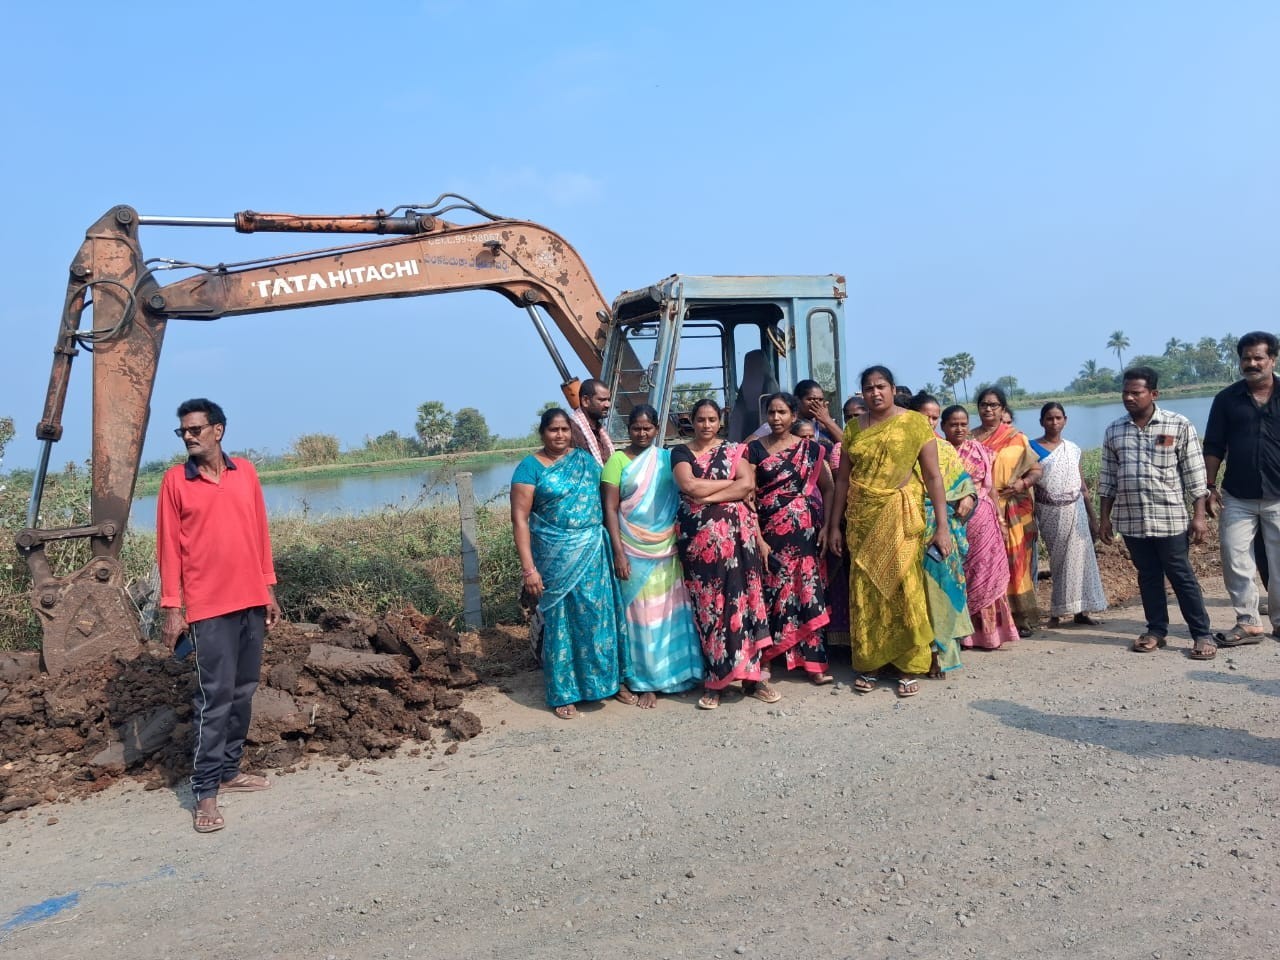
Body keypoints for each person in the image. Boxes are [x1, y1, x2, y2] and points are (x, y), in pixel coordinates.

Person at [157, 399, 280, 835]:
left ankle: (230, 771)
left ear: (218, 430)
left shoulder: (245, 472)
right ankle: (205, 790)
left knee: (244, 691)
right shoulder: (175, 481)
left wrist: (268, 588)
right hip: (208, 608)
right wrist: (173, 608)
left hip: (250, 601)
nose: (189, 436)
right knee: (215, 698)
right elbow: (169, 549)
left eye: (195, 429)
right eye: (183, 431)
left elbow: (259, 533)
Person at [826, 367, 954, 699]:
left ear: (893, 389)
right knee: (867, 590)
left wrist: (942, 527)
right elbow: (843, 480)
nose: (875, 393)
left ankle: (908, 665)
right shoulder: (854, 429)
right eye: (868, 388)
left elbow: (933, 477)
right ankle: (871, 664)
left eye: (880, 386)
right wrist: (834, 525)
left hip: (901, 516)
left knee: (904, 588)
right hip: (863, 520)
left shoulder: (914, 423)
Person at [512, 408, 630, 719]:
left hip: (594, 552)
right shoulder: (529, 468)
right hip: (555, 557)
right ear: (542, 433)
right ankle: (564, 692)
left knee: (598, 618)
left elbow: (609, 500)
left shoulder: (585, 462)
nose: (560, 435)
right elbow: (520, 520)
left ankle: (609, 683)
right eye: (553, 430)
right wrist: (529, 569)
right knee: (561, 623)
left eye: (565, 429)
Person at [1099, 367, 1216, 658]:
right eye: (1125, 392)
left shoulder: (1178, 425)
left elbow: (1194, 475)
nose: (1128, 397)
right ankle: (1156, 631)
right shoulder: (1114, 430)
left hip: (1170, 518)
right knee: (1148, 575)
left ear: (1153, 394)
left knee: (1181, 575)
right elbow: (1107, 479)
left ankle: (1201, 634)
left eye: (1135, 392)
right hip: (1131, 520)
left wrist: (1199, 516)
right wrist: (1104, 519)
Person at [671, 399, 778, 709]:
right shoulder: (681, 452)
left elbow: (746, 485)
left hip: (739, 543)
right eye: (700, 419)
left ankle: (753, 679)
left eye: (712, 419)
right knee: (711, 609)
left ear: (720, 422)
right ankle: (716, 681)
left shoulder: (734, 450)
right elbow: (688, 485)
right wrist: (728, 486)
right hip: (699, 544)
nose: (706, 425)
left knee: (745, 604)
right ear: (692, 421)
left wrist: (707, 496)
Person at [600, 405, 704, 707]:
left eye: (647, 428)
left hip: (667, 547)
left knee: (670, 613)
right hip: (632, 549)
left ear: (657, 429)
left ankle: (676, 676)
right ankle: (646, 682)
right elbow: (609, 509)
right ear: (628, 429)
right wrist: (618, 553)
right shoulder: (616, 461)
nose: (642, 433)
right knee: (641, 617)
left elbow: (687, 492)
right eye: (636, 428)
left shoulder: (667, 459)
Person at [748, 392, 835, 684]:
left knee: (807, 592)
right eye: (771, 412)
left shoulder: (810, 449)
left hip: (806, 533)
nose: (776, 418)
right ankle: (768, 660)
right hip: (770, 533)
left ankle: (814, 663)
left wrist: (827, 526)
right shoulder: (754, 449)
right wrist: (758, 537)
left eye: (782, 412)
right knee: (771, 593)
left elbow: (829, 488)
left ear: (794, 416)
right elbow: (749, 495)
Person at [1203, 331, 1280, 646]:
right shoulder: (1226, 399)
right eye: (1246, 358)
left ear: (1272, 359)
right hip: (1237, 495)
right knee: (1235, 559)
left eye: (1258, 357)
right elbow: (1213, 445)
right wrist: (1209, 486)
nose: (1252, 363)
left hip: (1279, 495)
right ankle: (1248, 623)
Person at [907, 393, 976, 674]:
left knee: (942, 587)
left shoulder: (944, 449)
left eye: (935, 417)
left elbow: (964, 482)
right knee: (914, 592)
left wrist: (968, 496)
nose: (931, 422)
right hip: (907, 525)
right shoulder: (901, 448)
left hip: (940, 528)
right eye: (925, 416)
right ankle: (918, 654)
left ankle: (943, 653)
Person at [941, 405, 1021, 649]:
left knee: (986, 574)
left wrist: (1000, 520)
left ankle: (990, 634)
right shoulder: (939, 452)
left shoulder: (979, 450)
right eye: (953, 424)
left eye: (963, 424)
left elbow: (991, 488)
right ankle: (964, 635)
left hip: (983, 521)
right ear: (943, 427)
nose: (959, 429)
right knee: (959, 575)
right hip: (952, 521)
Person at [970, 387, 1042, 636]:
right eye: (983, 405)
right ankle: (988, 622)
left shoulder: (1016, 437)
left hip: (1012, 509)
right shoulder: (969, 439)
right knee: (985, 564)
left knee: (1015, 563)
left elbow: (1036, 470)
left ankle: (1021, 619)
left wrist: (1022, 483)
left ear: (1003, 409)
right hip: (981, 510)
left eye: (994, 405)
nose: (988, 409)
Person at [1033, 403, 1107, 627]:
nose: (1054, 422)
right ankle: (1056, 613)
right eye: (1049, 418)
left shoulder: (1073, 449)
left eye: (1058, 418)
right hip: (1049, 511)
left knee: (1083, 560)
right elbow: (1030, 486)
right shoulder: (1032, 448)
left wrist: (1094, 518)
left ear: (1065, 420)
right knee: (1058, 562)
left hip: (1077, 510)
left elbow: (1082, 487)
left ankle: (1081, 611)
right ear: (1042, 422)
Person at [568, 378, 615, 466]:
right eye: (602, 400)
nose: (608, 405)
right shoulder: (572, 429)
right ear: (585, 401)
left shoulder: (599, 429)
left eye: (608, 400)